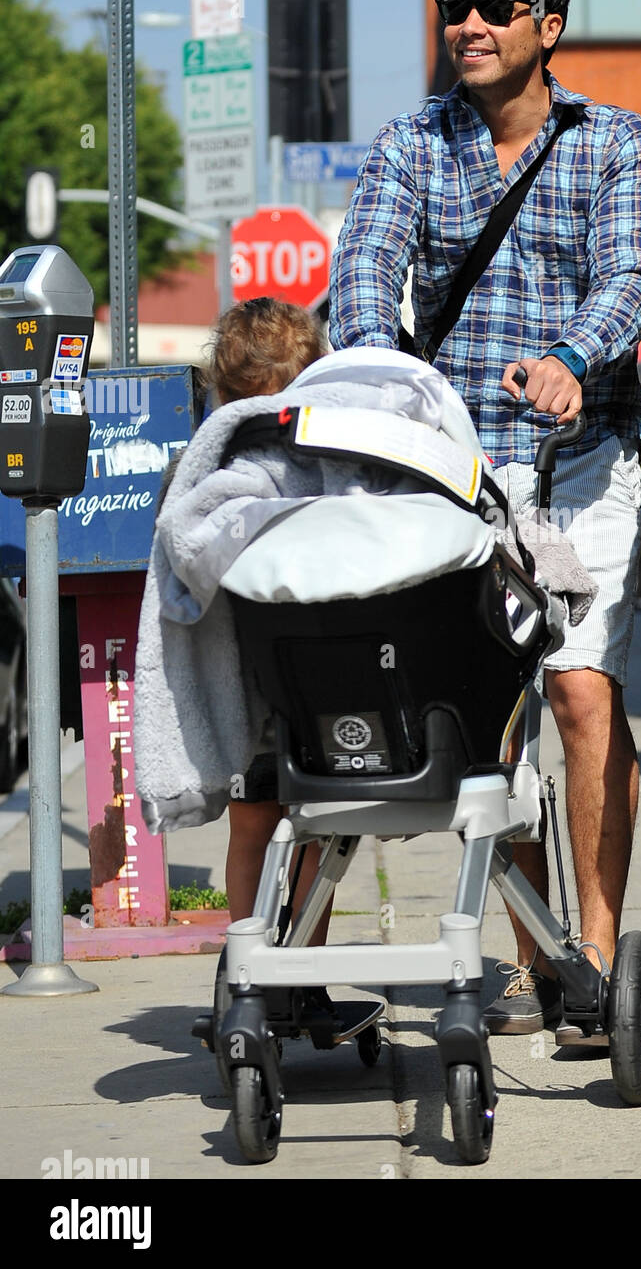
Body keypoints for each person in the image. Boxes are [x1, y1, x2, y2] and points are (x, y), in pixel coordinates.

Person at [330, 0, 641, 1044]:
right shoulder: (409, 144)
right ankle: (535, 961)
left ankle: (598, 955)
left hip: (579, 467)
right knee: (496, 716)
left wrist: (572, 356)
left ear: (548, 26)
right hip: (457, 474)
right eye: (455, 8)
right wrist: (378, 379)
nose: (469, 25)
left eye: (494, 8)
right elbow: (365, 267)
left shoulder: (614, 139)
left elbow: (637, 274)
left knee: (578, 691)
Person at [201, 297, 331, 954]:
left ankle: (247, 962)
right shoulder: (331, 462)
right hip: (326, 679)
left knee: (250, 828)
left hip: (248, 685)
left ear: (221, 390)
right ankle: (304, 969)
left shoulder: (211, 471)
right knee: (317, 834)